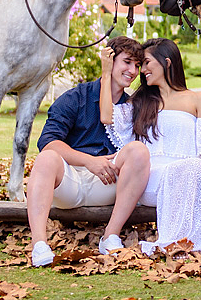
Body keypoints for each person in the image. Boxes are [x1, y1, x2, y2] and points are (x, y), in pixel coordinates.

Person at [99, 38, 201, 256]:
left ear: (167, 63)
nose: (142, 70)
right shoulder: (140, 101)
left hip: (185, 174)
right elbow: (106, 116)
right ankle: (111, 237)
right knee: (180, 169)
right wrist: (106, 73)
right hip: (149, 179)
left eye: (147, 63)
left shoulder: (197, 99)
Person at [25, 36, 151, 267]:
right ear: (109, 61)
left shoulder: (132, 105)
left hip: (108, 182)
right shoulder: (75, 98)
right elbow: (48, 142)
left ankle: (110, 236)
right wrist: (90, 161)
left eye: (137, 65)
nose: (133, 71)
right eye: (127, 62)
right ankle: (39, 245)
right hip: (70, 182)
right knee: (46, 158)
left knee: (139, 151)